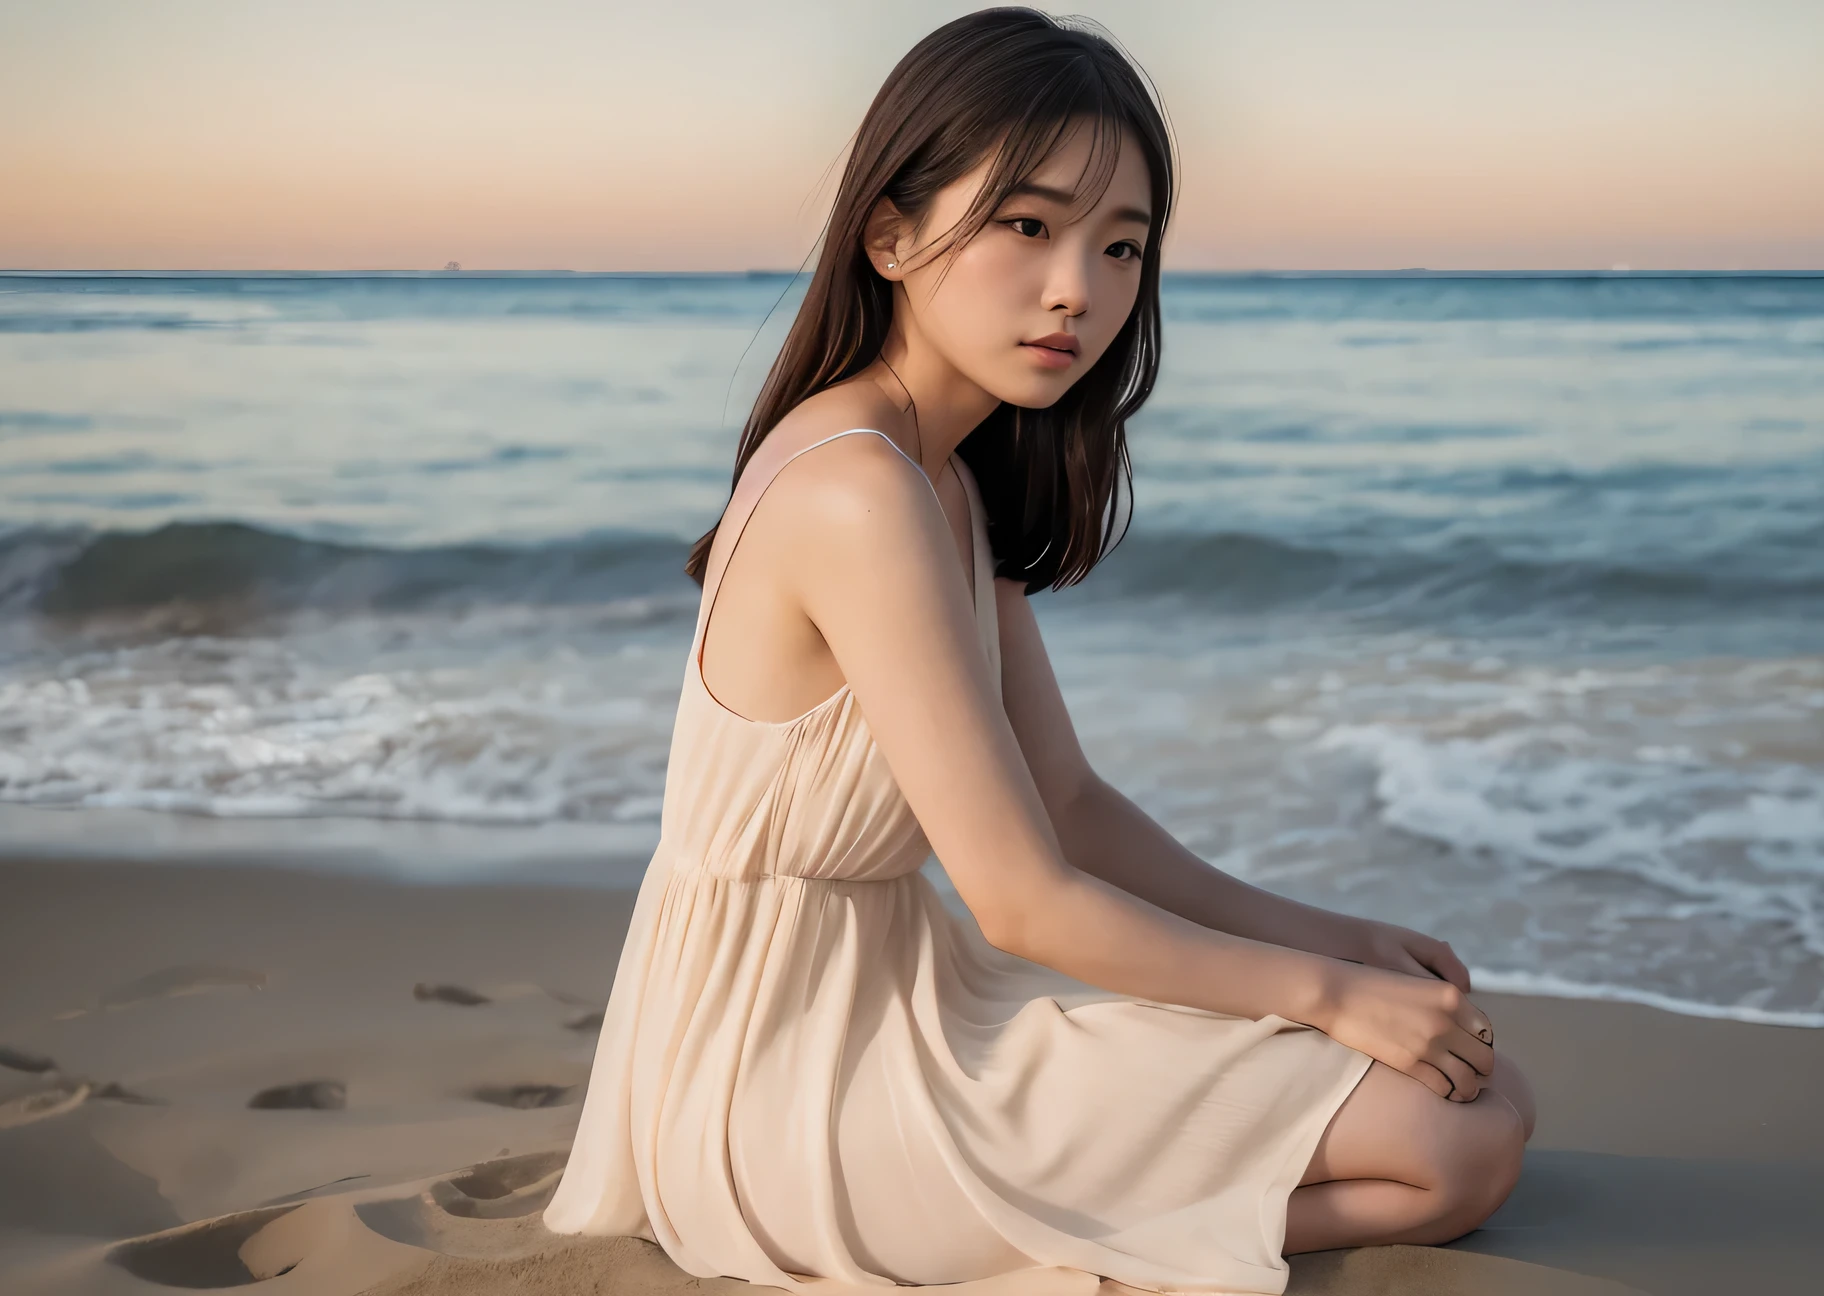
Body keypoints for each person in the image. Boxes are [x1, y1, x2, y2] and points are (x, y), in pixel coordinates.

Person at [543, 9, 1533, 1291]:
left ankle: (1105, 1201)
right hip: (784, 1079)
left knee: (1479, 1100)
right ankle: (1076, 1229)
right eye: (1028, 225)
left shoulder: (940, 477)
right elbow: (1022, 899)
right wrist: (1323, 997)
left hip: (901, 999)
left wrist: (1332, 937)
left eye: (1122, 246)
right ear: (889, 235)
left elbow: (1067, 805)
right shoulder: (858, 490)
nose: (1081, 287)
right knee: (1457, 1145)